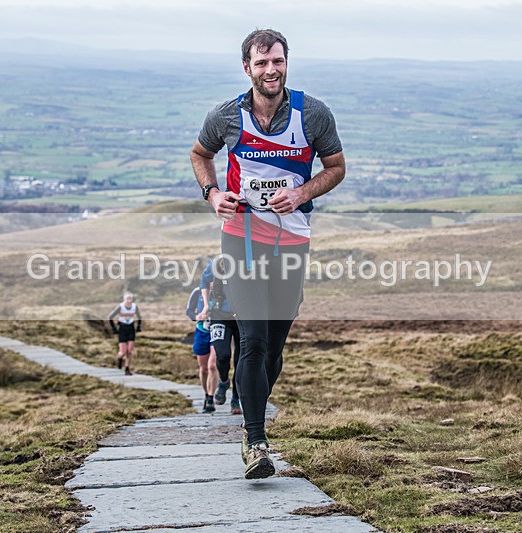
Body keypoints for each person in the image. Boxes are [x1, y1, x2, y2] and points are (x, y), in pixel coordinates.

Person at [190, 29, 345, 479]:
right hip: (240, 237)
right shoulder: (227, 116)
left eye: (277, 61)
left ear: (286, 63)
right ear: (247, 68)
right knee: (253, 339)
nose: (270, 70)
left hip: (292, 241)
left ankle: (252, 409)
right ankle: (255, 441)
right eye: (261, 64)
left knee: (273, 348)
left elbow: (335, 168)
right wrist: (212, 192)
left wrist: (300, 193)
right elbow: (201, 154)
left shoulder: (313, 114)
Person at [199, 257, 242, 415]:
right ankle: (224, 382)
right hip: (219, 314)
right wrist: (205, 306)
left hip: (241, 317)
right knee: (222, 355)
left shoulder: (245, 263)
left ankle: (236, 399)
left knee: (241, 360)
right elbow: (204, 283)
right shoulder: (215, 264)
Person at [192, 279, 219, 413]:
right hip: (201, 332)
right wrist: (197, 316)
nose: (213, 283)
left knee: (212, 366)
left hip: (218, 331)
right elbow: (189, 311)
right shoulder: (197, 292)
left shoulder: (222, 292)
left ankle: (210, 397)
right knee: (203, 369)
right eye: (210, 280)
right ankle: (206, 395)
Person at [107, 291, 142, 375]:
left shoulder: (134, 306)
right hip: (122, 329)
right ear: (124, 299)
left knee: (129, 351)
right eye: (128, 298)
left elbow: (139, 316)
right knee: (123, 351)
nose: (129, 300)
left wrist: (138, 326)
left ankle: (127, 368)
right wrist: (114, 329)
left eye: (131, 298)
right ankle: (119, 358)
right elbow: (110, 317)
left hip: (131, 328)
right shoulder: (120, 307)